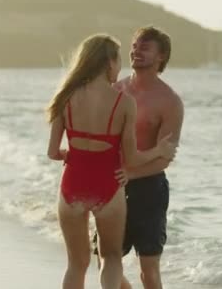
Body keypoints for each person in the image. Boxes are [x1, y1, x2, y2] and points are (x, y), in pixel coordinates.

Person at [46, 33, 177, 289]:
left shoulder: (65, 97)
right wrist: (159, 150)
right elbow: (132, 158)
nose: (120, 66)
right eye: (118, 59)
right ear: (108, 62)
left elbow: (52, 152)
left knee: (76, 264)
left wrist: (69, 155)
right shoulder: (124, 102)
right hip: (107, 186)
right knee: (111, 258)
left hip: (72, 185)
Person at [94, 26, 184, 289]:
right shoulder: (115, 89)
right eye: (134, 46)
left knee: (149, 270)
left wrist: (131, 174)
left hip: (149, 189)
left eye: (144, 47)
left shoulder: (170, 101)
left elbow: (165, 157)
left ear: (161, 56)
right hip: (110, 185)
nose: (136, 51)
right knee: (104, 261)